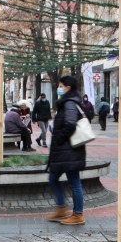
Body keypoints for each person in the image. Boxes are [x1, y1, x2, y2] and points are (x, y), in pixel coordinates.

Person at [46, 75, 86, 226]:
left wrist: (59, 139)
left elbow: (70, 124)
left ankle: (78, 214)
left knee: (74, 182)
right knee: (53, 178)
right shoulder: (68, 102)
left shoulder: (69, 102)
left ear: (68, 87)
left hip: (69, 150)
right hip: (65, 150)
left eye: (61, 86)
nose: (59, 88)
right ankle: (62, 208)